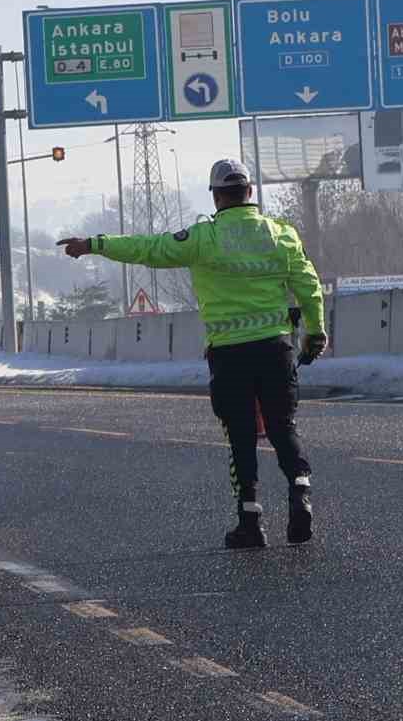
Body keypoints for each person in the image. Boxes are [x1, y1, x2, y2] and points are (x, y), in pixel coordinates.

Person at [56, 159, 328, 549]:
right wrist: (315, 333)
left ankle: (250, 522)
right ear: (250, 192)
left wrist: (94, 245)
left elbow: (148, 249)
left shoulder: (203, 237)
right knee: (283, 425)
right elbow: (308, 284)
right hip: (275, 347)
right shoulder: (281, 234)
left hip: (229, 354)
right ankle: (300, 492)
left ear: (217, 196)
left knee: (240, 435)